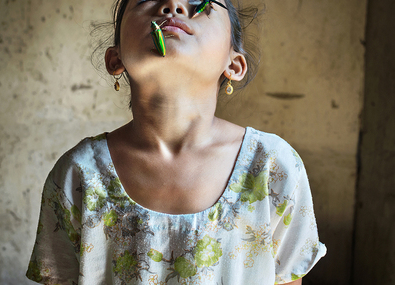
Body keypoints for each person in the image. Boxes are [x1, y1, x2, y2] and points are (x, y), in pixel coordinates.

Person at [26, 0, 326, 283]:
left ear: (234, 64)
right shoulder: (79, 175)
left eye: (201, 3)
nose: (172, 4)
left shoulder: (272, 167)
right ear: (116, 59)